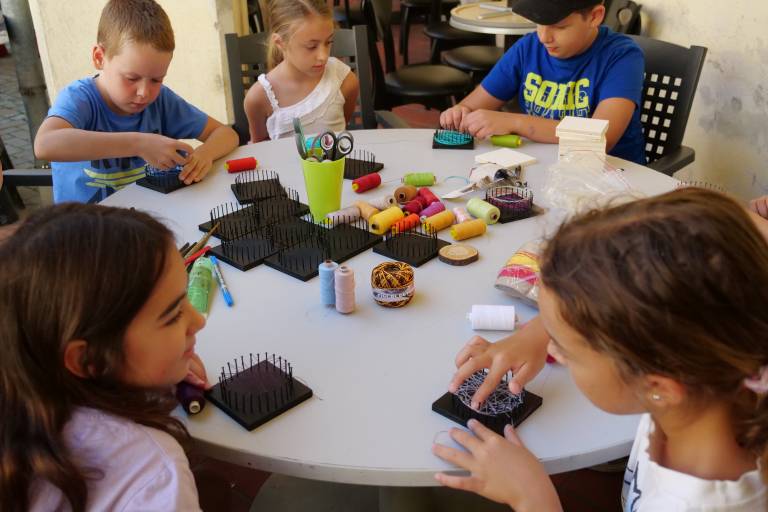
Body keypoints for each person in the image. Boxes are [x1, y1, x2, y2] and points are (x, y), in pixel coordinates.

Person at [433, 188, 768, 510]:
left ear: (658, 387)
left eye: (566, 350)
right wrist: (543, 331)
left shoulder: (693, 506)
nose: (554, 352)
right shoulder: (713, 370)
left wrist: (533, 499)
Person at [0, 203, 210, 511]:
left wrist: (164, 364)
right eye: (173, 315)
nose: (199, 321)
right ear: (89, 360)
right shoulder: (153, 475)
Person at [33, 0, 239, 204]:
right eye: (131, 78)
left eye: (156, 80)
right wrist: (139, 144)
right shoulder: (80, 98)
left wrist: (204, 155)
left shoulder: (161, 100)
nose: (144, 93)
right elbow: (44, 144)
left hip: (147, 216)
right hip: (83, 222)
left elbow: (226, 134)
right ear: (99, 57)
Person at [440, 0, 646, 165]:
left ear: (594, 16)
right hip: (545, 169)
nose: (544, 37)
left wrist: (516, 123)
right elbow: (471, 107)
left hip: (612, 177)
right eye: (539, 24)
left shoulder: (622, 57)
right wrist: (460, 113)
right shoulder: (527, 49)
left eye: (559, 27)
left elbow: (600, 138)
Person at [243, 0, 359, 142]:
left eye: (328, 42)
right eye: (311, 46)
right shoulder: (258, 98)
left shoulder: (344, 80)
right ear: (280, 43)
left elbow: (341, 127)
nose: (323, 56)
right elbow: (260, 148)